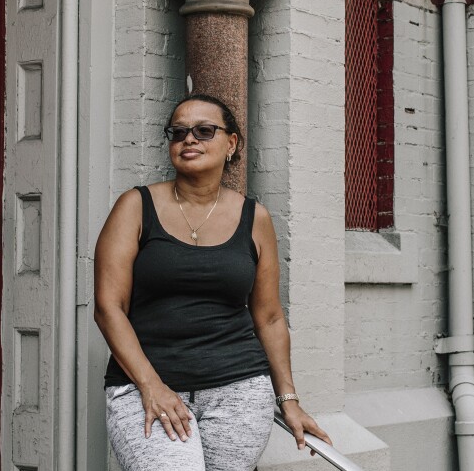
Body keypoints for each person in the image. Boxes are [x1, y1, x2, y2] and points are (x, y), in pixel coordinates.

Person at [94, 93, 331, 470]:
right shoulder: (135, 206)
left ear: (231, 144)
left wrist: (289, 400)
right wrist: (151, 386)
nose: (189, 139)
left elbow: (268, 318)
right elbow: (109, 308)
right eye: (179, 132)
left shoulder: (255, 218)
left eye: (204, 131)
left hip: (239, 389)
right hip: (146, 385)